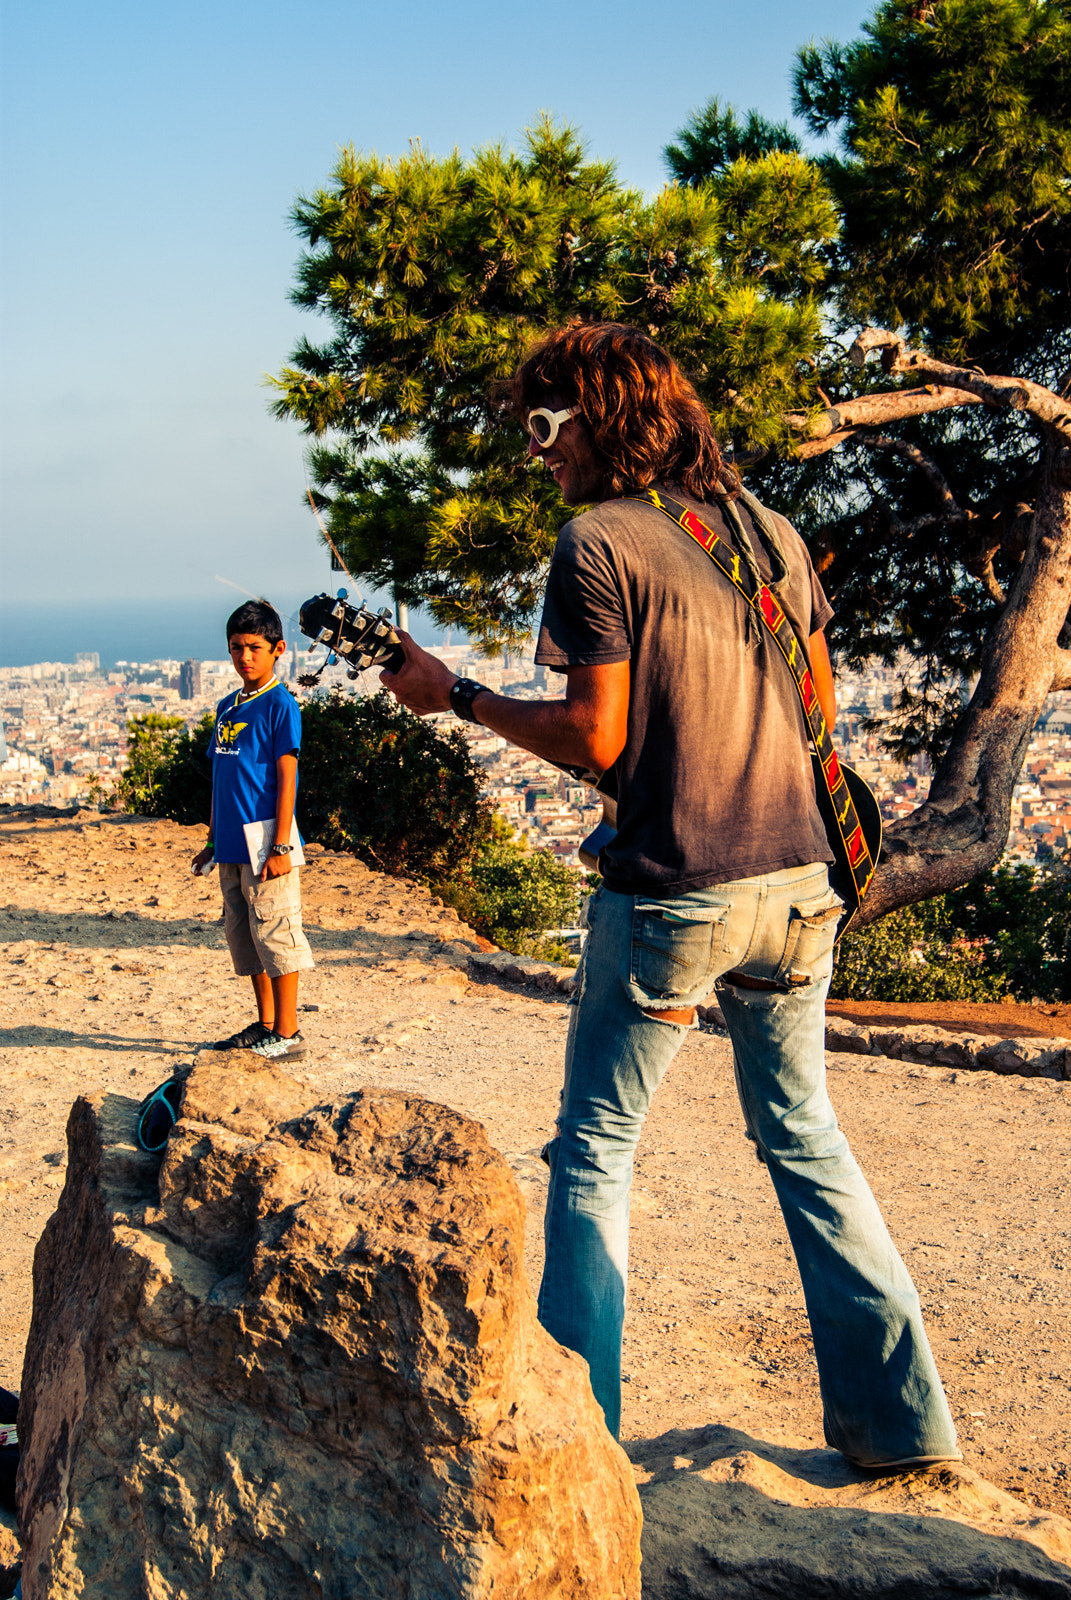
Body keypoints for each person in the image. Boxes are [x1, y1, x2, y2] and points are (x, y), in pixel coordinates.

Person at [380, 320, 959, 1471]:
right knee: (805, 1136)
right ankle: (904, 1428)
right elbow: (822, 716)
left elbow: (598, 739)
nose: (536, 449)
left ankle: (577, 1452)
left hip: (676, 892)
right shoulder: (774, 532)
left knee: (595, 1146)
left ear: (600, 414)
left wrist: (462, 698)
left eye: (546, 424)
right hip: (801, 887)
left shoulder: (597, 541)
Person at [192, 599, 313, 1060]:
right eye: (237, 648)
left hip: (266, 837)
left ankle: (288, 1032)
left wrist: (281, 844)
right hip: (230, 839)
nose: (245, 657)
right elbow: (221, 777)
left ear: (278, 649)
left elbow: (287, 778)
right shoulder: (227, 707)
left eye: (255, 648)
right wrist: (210, 839)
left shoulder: (280, 706)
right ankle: (265, 1023)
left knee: (277, 932)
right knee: (245, 935)